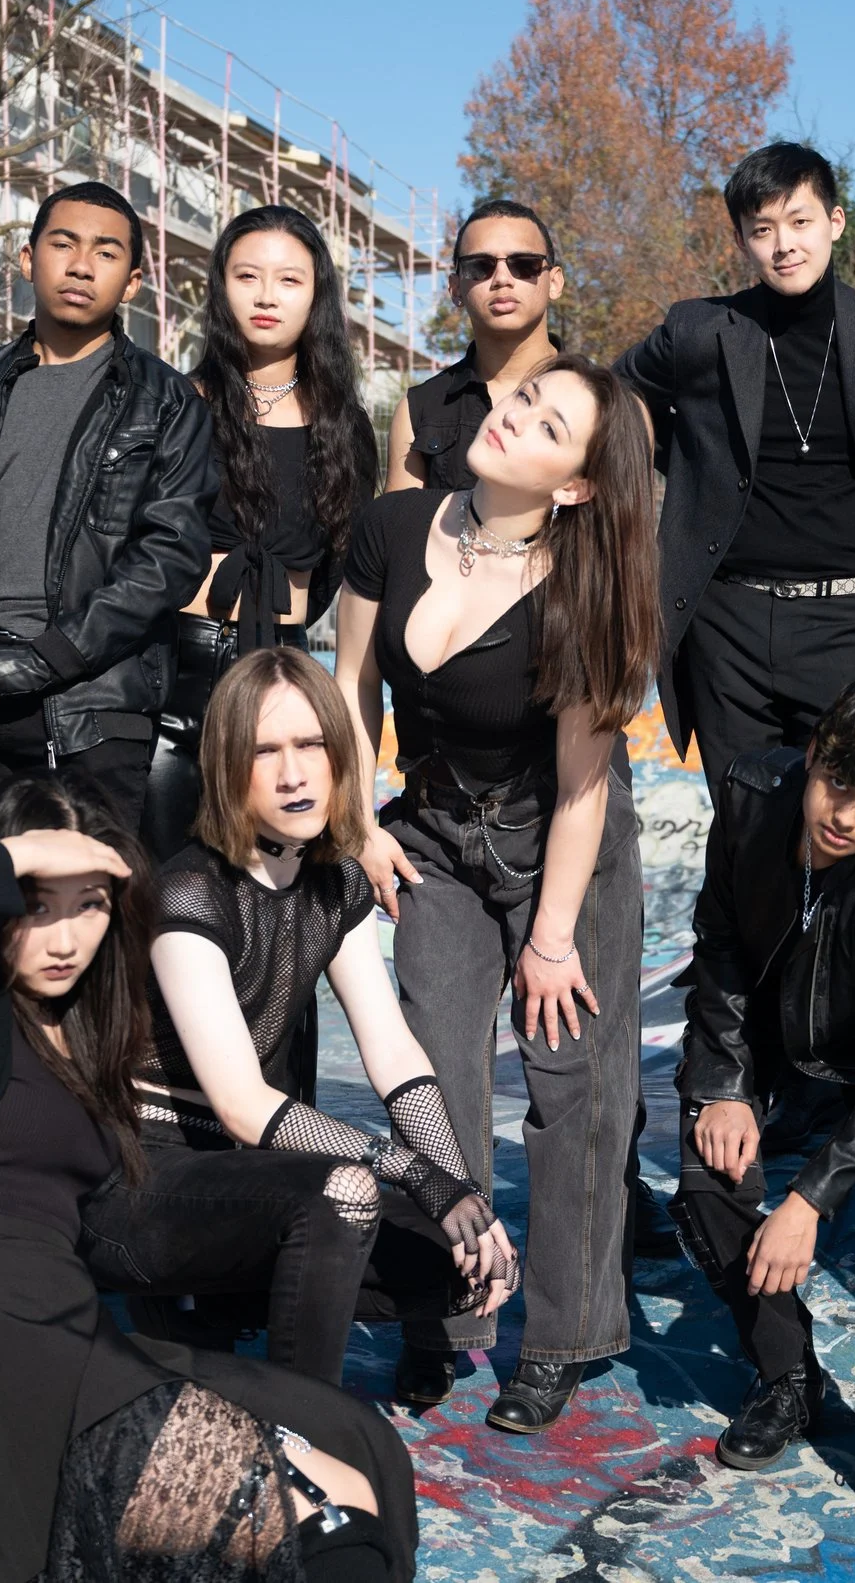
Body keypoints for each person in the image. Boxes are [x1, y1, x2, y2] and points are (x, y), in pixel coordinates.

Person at [0, 775, 417, 1583]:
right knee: (320, 1523)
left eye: (91, 903)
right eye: (38, 902)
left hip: (70, 1326)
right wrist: (21, 849)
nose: (66, 936)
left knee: (354, 1437)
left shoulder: (87, 1030)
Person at [334, 353, 663, 1432]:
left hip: (559, 849)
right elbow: (348, 690)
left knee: (572, 1087)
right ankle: (442, 1315)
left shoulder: (586, 585)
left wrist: (552, 939)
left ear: (575, 484)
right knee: (432, 1072)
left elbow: (580, 789)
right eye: (521, 398)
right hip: (428, 833)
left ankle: (563, 1336)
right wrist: (356, 822)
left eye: (548, 422)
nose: (513, 416)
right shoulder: (391, 527)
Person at [80, 647, 517, 1384]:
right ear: (228, 766)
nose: (294, 773)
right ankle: (304, 1425)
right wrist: (411, 1171)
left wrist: (461, 1188)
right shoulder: (188, 895)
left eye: (311, 744)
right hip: (145, 1182)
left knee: (456, 1260)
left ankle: (220, 1307)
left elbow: (393, 1052)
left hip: (258, 1173)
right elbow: (243, 1106)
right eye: (266, 751)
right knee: (346, 1195)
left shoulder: (335, 880)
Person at [673, 670, 855, 1571]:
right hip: (770, 1057)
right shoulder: (752, 798)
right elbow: (718, 945)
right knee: (705, 1177)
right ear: (815, 754)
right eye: (839, 782)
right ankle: (790, 1376)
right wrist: (724, 1081)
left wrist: (809, 1196)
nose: (846, 815)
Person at [614, 141, 855, 795]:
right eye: (762, 230)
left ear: (835, 222)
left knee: (853, 825)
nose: (784, 244)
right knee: (746, 831)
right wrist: (686, 462)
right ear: (742, 240)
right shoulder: (701, 330)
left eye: (800, 221)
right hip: (726, 625)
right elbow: (617, 392)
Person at [0, 179, 215, 854]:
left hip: (93, 711)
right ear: (27, 260)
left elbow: (167, 558)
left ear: (132, 282)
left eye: (106, 253)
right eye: (64, 244)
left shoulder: (167, 403)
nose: (81, 265)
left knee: (89, 932)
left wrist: (44, 660)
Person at [142, 205, 378, 868]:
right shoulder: (175, 402)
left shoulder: (345, 427)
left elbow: (338, 566)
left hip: (282, 678)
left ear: (318, 295)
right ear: (220, 287)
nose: (267, 295)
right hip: (173, 676)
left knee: (270, 898)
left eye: (289, 280)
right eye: (248, 275)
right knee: (164, 895)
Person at [385, 197, 563, 494]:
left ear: (554, 282)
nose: (502, 279)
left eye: (524, 265)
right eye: (480, 267)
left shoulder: (604, 401)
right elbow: (397, 534)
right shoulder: (419, 409)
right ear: (455, 288)